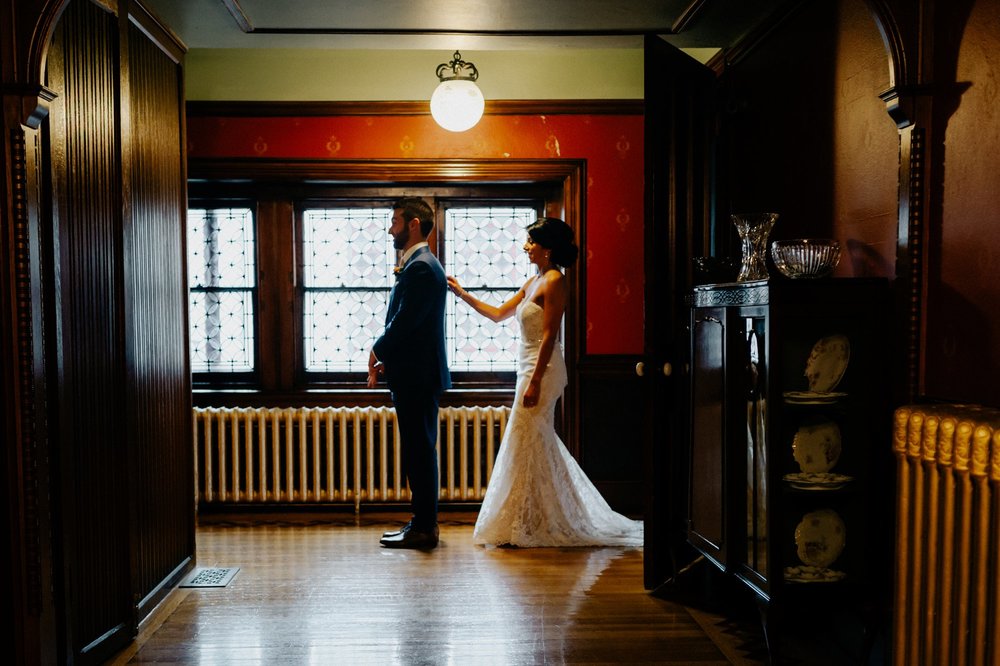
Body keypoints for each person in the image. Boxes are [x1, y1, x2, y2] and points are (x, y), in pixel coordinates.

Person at [446, 217, 643, 547]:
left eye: (531, 242)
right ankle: (534, 516)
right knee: (533, 442)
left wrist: (535, 381)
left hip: (544, 369)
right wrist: (461, 293)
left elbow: (551, 336)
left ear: (547, 249)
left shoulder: (555, 282)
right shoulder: (531, 282)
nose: (526, 247)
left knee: (526, 439)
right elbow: (497, 315)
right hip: (527, 367)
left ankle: (535, 519)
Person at [370, 197, 451, 550]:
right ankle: (422, 523)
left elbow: (405, 321)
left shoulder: (421, 266)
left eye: (395, 221)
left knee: (420, 450)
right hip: (414, 371)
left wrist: (377, 350)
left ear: (414, 223)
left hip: (418, 375)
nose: (391, 228)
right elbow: (409, 325)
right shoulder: (420, 263)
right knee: (419, 449)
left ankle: (424, 528)